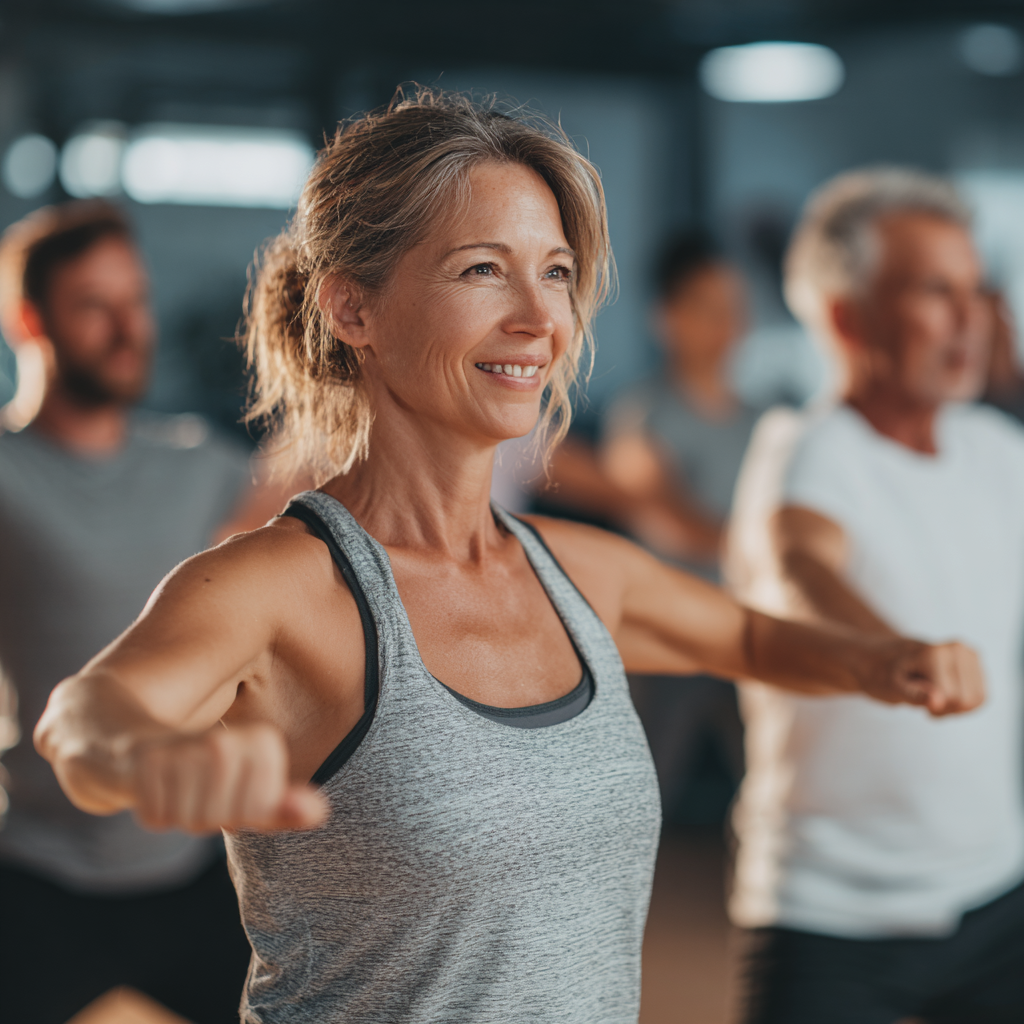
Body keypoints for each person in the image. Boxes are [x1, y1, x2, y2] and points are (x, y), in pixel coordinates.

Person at [34, 92, 981, 1024]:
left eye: (556, 272)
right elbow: (84, 717)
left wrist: (881, 662)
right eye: (484, 270)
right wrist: (150, 755)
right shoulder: (283, 587)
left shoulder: (583, 575)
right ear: (353, 306)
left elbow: (752, 640)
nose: (539, 317)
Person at [726, 168, 1024, 1024]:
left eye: (974, 289)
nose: (971, 317)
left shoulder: (997, 451)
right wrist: (888, 654)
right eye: (935, 291)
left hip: (995, 892)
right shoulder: (808, 449)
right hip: (829, 911)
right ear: (846, 318)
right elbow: (801, 568)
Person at [0, 200, 263, 1024]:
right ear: (28, 321)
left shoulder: (203, 464)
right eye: (95, 305)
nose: (127, 328)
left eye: (136, 300)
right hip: (39, 875)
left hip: (193, 868)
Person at [599, 233, 759, 821]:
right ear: (667, 318)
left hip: (748, 628)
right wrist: (772, 551)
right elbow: (669, 524)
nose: (727, 326)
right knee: (638, 798)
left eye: (735, 309)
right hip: (667, 634)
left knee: (774, 789)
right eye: (708, 309)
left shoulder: (764, 420)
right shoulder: (642, 414)